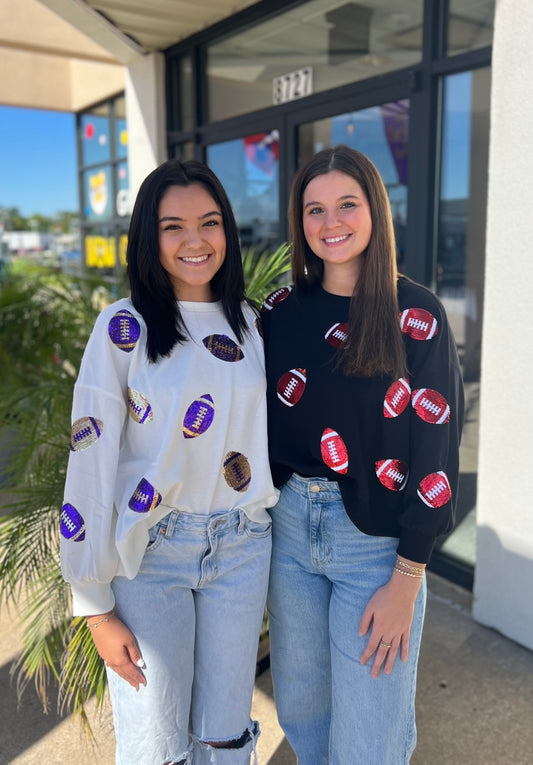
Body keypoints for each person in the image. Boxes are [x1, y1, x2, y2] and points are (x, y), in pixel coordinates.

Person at [60, 159, 278, 765]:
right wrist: (95, 606)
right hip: (153, 553)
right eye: (172, 226)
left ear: (228, 233)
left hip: (242, 546)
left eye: (209, 223)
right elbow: (91, 462)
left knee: (225, 732)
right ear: (147, 238)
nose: (194, 241)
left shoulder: (255, 325)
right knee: (156, 741)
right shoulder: (122, 328)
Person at [261, 145, 464, 764]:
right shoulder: (279, 313)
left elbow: (436, 451)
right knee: (303, 713)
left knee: (370, 736)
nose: (331, 223)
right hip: (290, 532)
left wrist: (408, 577)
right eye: (315, 209)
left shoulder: (417, 315)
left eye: (347, 204)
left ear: (374, 210)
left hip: (374, 545)